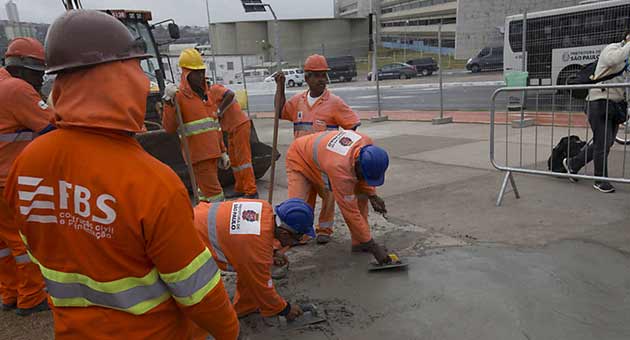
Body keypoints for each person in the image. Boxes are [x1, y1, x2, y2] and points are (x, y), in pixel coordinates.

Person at [3, 10, 239, 339]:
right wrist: (230, 331)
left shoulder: (27, 163)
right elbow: (198, 292)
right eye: (137, 69)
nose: (144, 81)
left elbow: (36, 245)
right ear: (117, 77)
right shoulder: (152, 182)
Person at [274, 54, 361, 244]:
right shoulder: (297, 101)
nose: (322, 79)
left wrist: (342, 153)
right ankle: (301, 231)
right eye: (317, 75)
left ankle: (324, 228)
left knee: (329, 196)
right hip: (300, 162)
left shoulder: (335, 102)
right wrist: (280, 88)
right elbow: (280, 111)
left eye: (324, 75)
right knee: (297, 201)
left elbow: (352, 126)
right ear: (307, 78)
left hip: (323, 163)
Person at [0, 37, 54, 316]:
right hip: (10, 180)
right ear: (21, 68)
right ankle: (31, 297)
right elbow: (51, 127)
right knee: (23, 240)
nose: (40, 79)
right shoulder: (18, 89)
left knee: (4, 245)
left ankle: (10, 292)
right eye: (38, 73)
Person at [193, 198, 314, 320]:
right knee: (193, 295)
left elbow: (247, 237)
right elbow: (262, 286)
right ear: (285, 234)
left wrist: (273, 251)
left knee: (249, 267)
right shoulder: (257, 250)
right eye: (297, 239)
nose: (295, 242)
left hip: (196, 216)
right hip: (189, 240)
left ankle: (245, 307)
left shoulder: (263, 206)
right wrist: (285, 309)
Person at [285, 129, 391, 264]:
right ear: (358, 164)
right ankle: (275, 253)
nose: (364, 179)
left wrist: (372, 194)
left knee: (362, 195)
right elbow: (350, 212)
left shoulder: (367, 144)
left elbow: (365, 176)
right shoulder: (340, 168)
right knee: (296, 210)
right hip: (299, 157)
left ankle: (359, 241)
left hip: (322, 157)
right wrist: (373, 246)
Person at [564, 32, 630, 193]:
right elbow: (613, 60)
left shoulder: (627, 61)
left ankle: (573, 164)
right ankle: (600, 180)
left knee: (607, 143)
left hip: (616, 105)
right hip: (598, 101)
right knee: (602, 143)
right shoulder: (613, 48)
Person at [162, 48, 230, 203]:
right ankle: (219, 220)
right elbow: (169, 127)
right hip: (198, 157)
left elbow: (215, 126)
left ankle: (203, 221)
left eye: (202, 71)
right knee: (216, 196)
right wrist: (168, 102)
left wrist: (222, 151)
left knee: (205, 195)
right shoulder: (178, 97)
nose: (200, 76)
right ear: (186, 74)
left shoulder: (207, 95)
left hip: (212, 154)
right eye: (196, 72)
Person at [207, 83, 258, 199]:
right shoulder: (207, 98)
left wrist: (219, 111)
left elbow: (230, 94)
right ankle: (240, 188)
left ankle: (251, 191)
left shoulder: (214, 89)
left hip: (240, 125)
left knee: (243, 160)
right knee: (234, 161)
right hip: (231, 128)